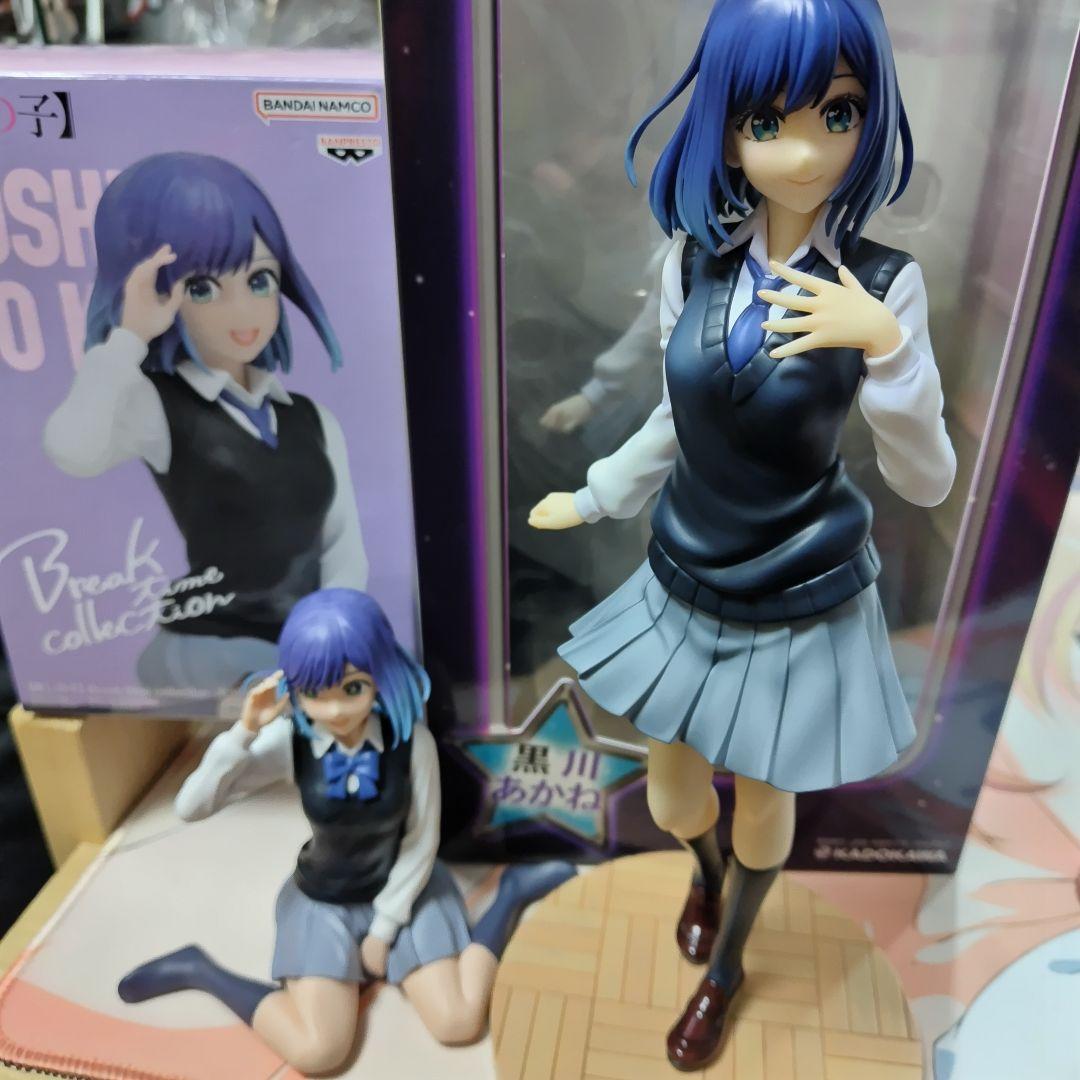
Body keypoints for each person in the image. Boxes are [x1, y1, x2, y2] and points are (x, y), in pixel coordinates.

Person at [530, 0, 956, 1069]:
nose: (805, 152)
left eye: (838, 113)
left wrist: (887, 351)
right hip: (688, 568)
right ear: (725, 127)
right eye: (768, 122)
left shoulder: (885, 284)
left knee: (767, 798)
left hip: (799, 585)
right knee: (674, 792)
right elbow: (675, 417)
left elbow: (928, 478)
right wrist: (597, 495)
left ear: (870, 116)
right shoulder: (693, 262)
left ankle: (727, 967)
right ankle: (707, 876)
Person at [118, 589, 574, 1074]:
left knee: (458, 1022)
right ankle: (200, 969)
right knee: (318, 1052)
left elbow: (420, 841)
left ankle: (508, 895)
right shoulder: (290, 741)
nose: (334, 710)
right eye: (316, 693)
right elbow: (191, 808)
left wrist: (384, 928)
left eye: (352, 688)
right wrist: (243, 731)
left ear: (380, 674)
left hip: (406, 891)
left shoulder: (410, 742)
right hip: (325, 899)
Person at [43, 153, 367, 699]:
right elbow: (72, 450)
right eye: (201, 289)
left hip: (300, 647)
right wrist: (129, 337)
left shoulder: (312, 419)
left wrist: (330, 637)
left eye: (259, 279)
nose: (243, 312)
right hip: (211, 645)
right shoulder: (159, 405)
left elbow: (344, 548)